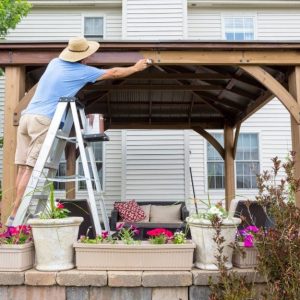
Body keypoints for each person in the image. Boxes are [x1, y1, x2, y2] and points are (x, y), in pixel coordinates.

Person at [6, 36, 150, 226]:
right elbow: (114, 72)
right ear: (84, 57)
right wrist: (135, 68)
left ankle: (14, 212)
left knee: (23, 168)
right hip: (43, 120)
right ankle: (16, 213)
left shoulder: (54, 63)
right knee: (31, 169)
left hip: (27, 117)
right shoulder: (81, 71)